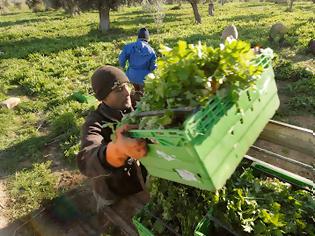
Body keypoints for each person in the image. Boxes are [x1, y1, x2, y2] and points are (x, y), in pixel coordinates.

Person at [77, 65, 148, 212]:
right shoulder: (94, 122)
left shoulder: (137, 103)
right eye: (118, 90)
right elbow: (86, 159)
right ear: (103, 98)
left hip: (140, 181)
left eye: (126, 86)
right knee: (114, 216)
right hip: (114, 191)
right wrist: (116, 151)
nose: (127, 92)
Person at [119, 27, 157, 92]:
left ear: (138, 37)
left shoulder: (129, 46)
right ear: (147, 39)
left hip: (131, 75)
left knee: (132, 94)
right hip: (144, 77)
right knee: (143, 96)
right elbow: (153, 67)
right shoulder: (151, 51)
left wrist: (123, 67)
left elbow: (122, 59)